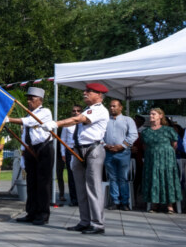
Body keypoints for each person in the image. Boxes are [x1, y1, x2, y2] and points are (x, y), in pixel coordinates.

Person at [44, 82, 109, 235]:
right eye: (85, 91)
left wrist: (56, 124)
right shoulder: (87, 109)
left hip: (93, 148)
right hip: (79, 149)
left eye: (89, 91)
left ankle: (97, 224)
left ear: (99, 95)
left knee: (93, 188)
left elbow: (76, 120)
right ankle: (85, 221)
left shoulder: (99, 110)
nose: (85, 93)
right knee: (80, 188)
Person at [8, 86, 54, 226]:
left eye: (32, 99)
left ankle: (43, 214)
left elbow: (31, 122)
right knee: (31, 183)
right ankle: (31, 212)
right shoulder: (28, 114)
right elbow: (25, 134)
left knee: (43, 183)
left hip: (44, 149)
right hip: (30, 149)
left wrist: (9, 119)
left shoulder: (45, 112)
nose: (29, 101)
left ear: (40, 100)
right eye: (28, 99)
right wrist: (23, 152)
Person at [141, 107, 182, 213]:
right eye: (150, 114)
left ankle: (170, 205)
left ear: (160, 116)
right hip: (151, 159)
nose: (151, 116)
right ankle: (155, 204)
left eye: (153, 114)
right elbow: (145, 146)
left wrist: (165, 153)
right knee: (154, 179)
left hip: (167, 159)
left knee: (168, 179)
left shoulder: (168, 130)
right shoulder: (145, 132)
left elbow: (174, 145)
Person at [104, 99, 138, 211]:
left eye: (114, 106)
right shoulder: (105, 120)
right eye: (110, 106)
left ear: (120, 107)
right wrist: (104, 144)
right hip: (109, 152)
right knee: (112, 178)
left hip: (123, 153)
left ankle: (124, 202)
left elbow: (133, 134)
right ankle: (115, 201)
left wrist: (122, 146)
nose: (111, 108)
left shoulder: (128, 120)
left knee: (123, 178)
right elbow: (99, 134)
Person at [60, 105, 82, 206]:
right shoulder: (67, 124)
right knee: (71, 176)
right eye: (74, 111)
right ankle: (74, 199)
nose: (76, 112)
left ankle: (82, 198)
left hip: (81, 150)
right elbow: (62, 140)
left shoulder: (84, 124)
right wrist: (63, 153)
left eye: (78, 111)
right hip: (70, 150)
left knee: (82, 175)